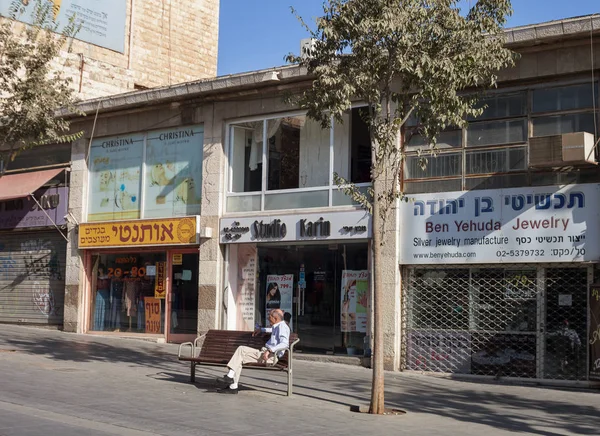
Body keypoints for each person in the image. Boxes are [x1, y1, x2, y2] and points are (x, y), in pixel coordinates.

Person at [216, 308, 290, 394]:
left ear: (275, 318)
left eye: (269, 317)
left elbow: (284, 344)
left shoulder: (283, 327)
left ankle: (229, 377)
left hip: (271, 357)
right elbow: (271, 330)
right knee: (239, 358)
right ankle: (233, 386)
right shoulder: (277, 326)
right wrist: (261, 330)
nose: (267, 318)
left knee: (241, 349)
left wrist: (269, 350)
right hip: (267, 354)